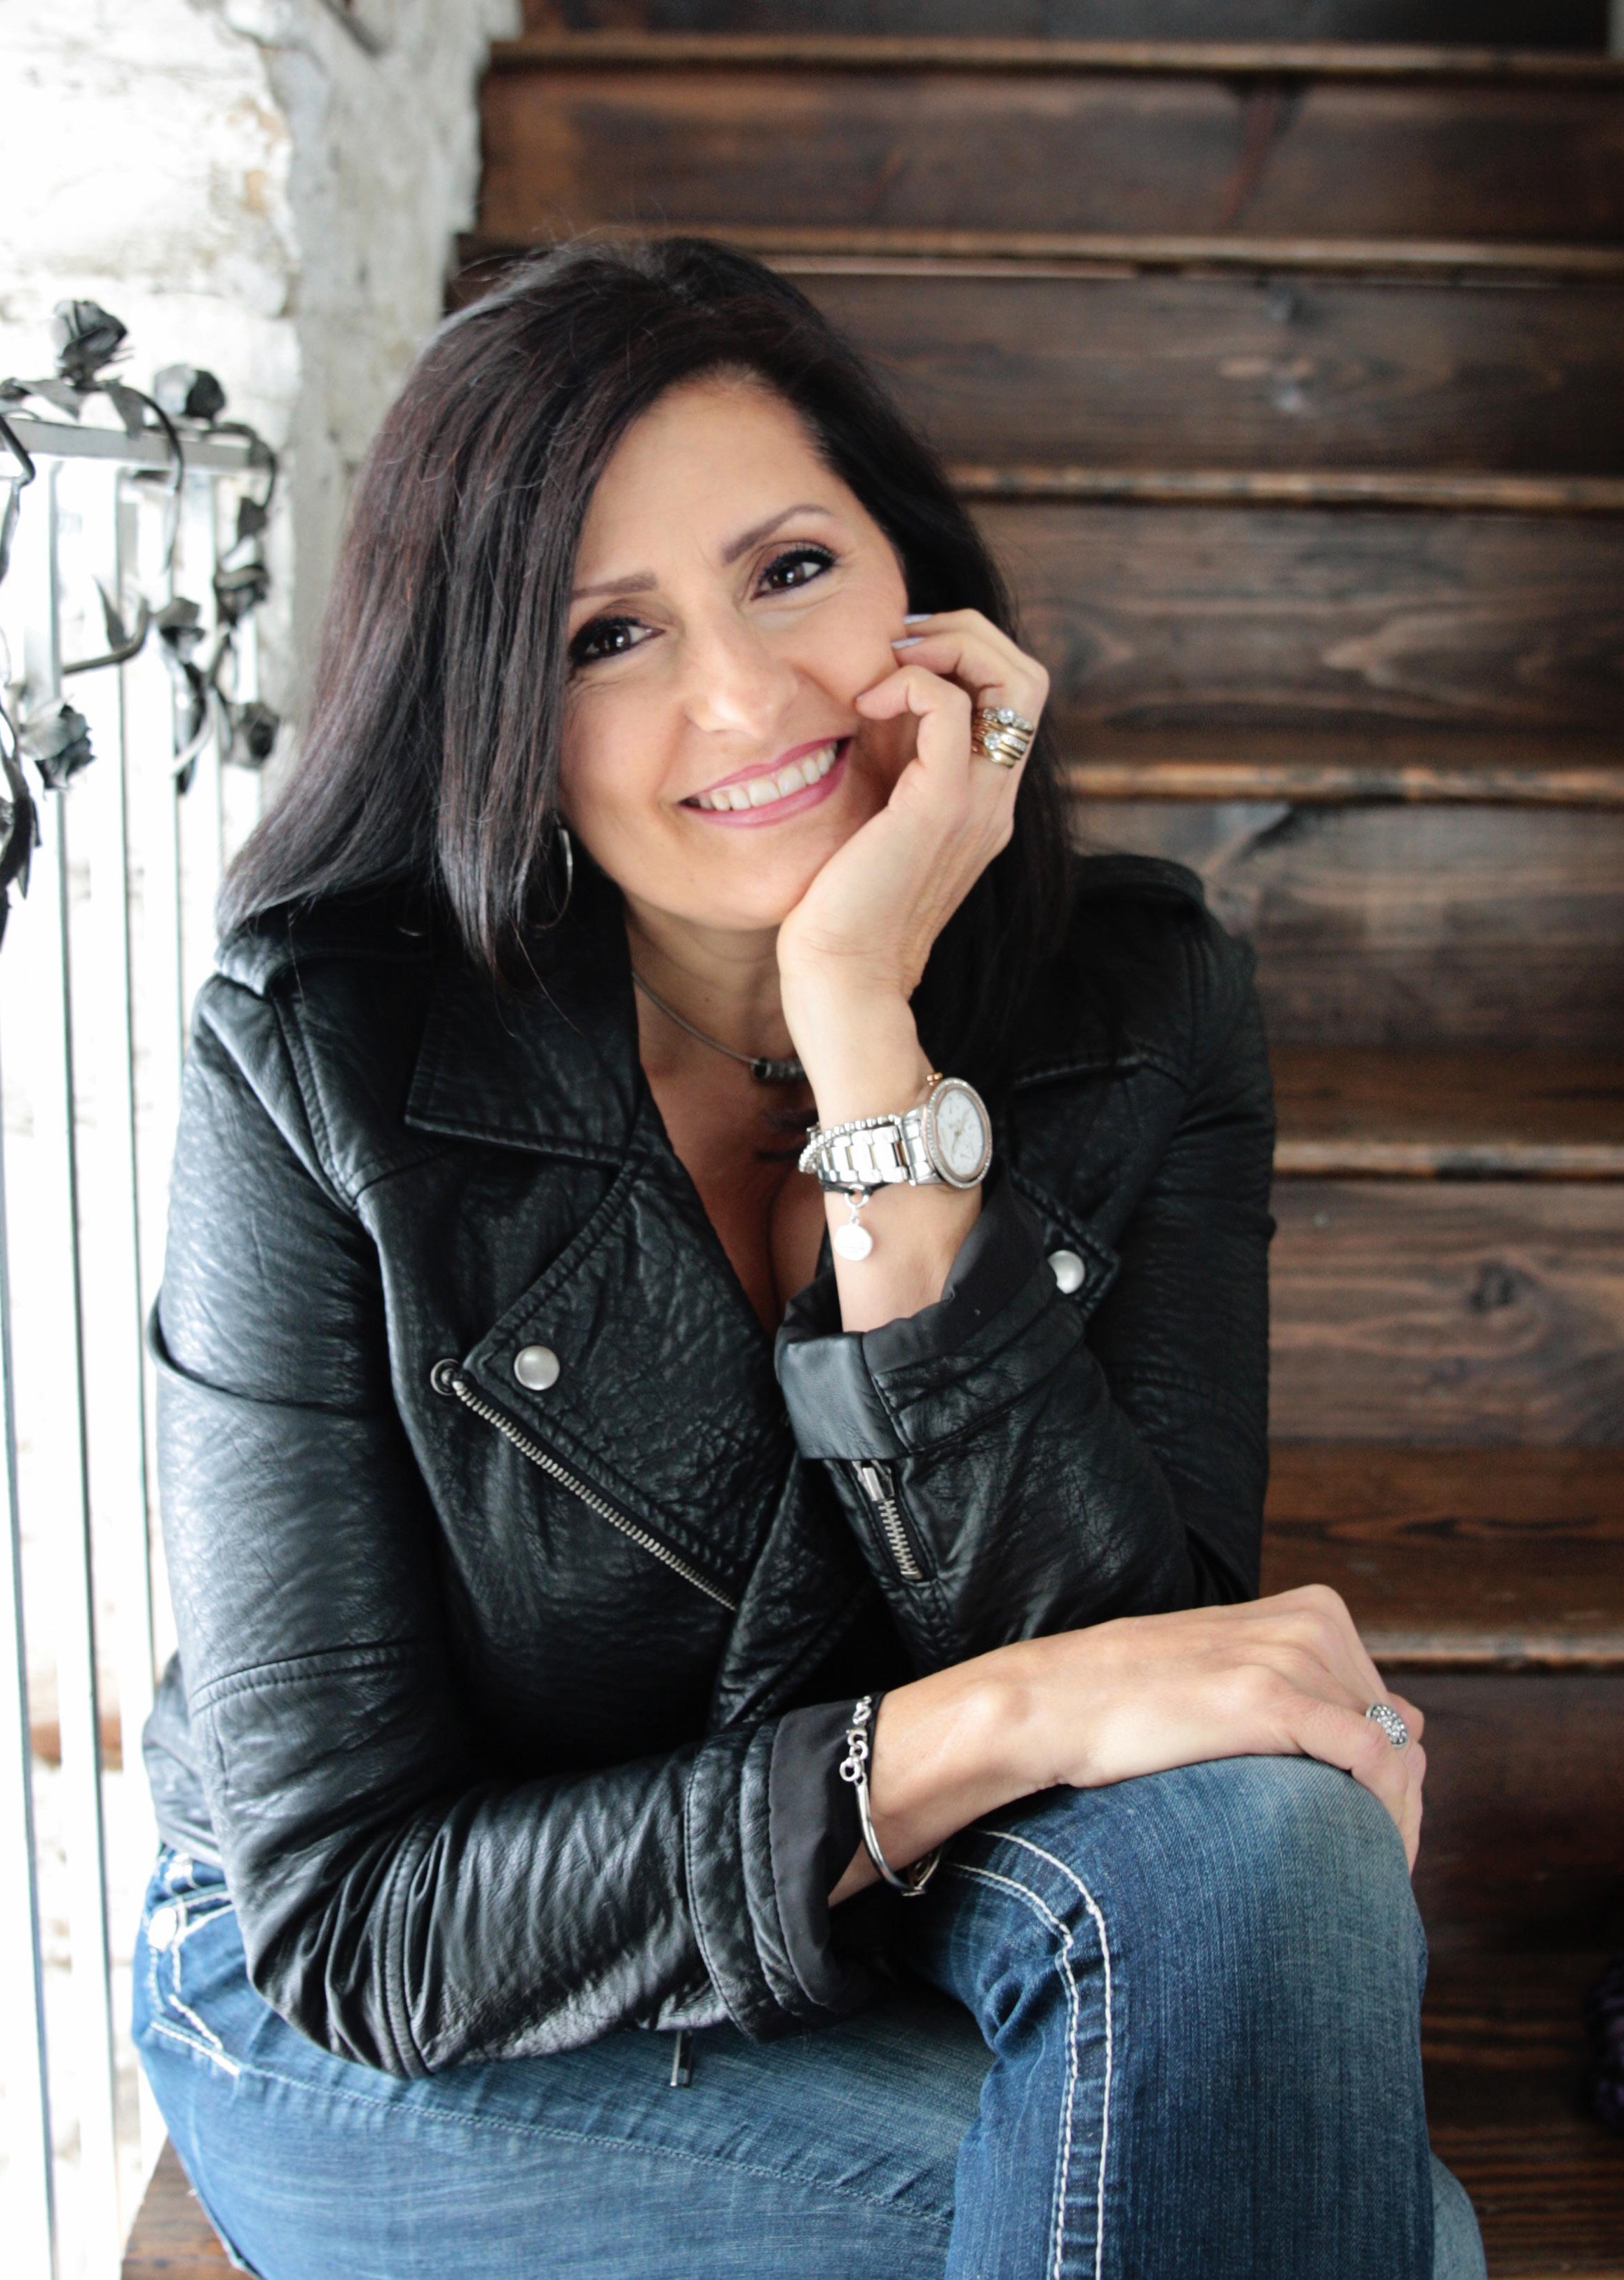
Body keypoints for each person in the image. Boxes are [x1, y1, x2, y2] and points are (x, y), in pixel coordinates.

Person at [132, 236, 1485, 2279]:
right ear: (494, 703)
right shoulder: (320, 1054)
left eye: (789, 570)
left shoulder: (1141, 1005)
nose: (746, 699)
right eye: (608, 635)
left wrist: (866, 1031)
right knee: (1385, 2243)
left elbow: (1164, 1720)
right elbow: (358, 1921)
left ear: (915, 582)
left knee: (1262, 1883)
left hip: (891, 1920)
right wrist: (974, 1733)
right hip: (417, 2009)